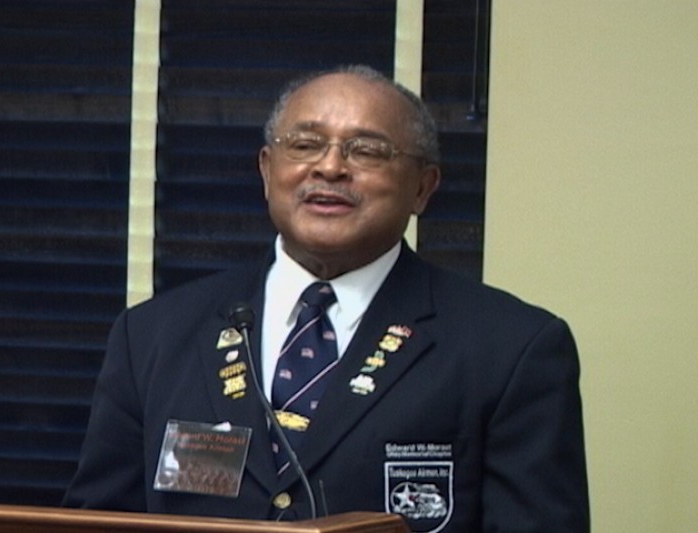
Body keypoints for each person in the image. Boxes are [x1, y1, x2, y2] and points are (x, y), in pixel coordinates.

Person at [64, 64, 590, 532]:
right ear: (268, 171)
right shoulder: (154, 334)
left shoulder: (512, 348)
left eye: (366, 150)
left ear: (423, 189)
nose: (331, 167)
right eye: (306, 144)